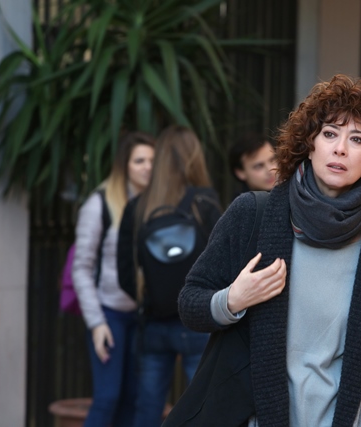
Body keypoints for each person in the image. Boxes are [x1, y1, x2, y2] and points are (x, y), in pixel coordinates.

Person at [178, 74, 361, 426]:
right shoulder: (252, 215)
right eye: (329, 134)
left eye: (357, 139)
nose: (340, 149)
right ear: (309, 144)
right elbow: (190, 303)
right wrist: (233, 299)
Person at [117, 125, 222, 427]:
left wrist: (150, 300)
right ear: (194, 158)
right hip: (199, 324)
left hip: (153, 324)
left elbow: (125, 272)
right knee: (206, 410)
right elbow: (222, 263)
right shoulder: (204, 202)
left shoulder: (138, 207)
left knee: (147, 411)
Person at [72, 131, 155, 427]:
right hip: (109, 314)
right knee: (107, 397)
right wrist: (97, 323)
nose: (147, 167)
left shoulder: (156, 204)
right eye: (139, 161)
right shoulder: (99, 204)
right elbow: (81, 268)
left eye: (152, 161)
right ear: (124, 165)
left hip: (144, 315)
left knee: (133, 399)